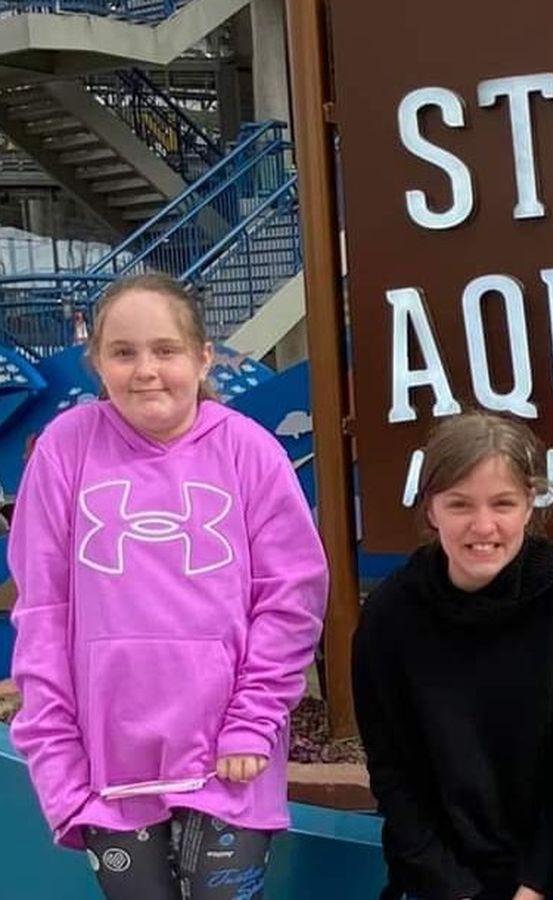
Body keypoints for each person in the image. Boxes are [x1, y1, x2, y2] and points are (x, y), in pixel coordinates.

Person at [8, 272, 329, 900]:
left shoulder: (250, 452)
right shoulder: (65, 450)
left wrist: (252, 722)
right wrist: (57, 763)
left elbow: (290, 600)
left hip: (229, 761)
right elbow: (43, 611)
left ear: (203, 357)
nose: (146, 370)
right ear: (98, 363)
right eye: (123, 352)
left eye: (166, 350)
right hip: (109, 775)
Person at [352, 411, 553, 900]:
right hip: (435, 878)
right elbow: (394, 774)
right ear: (431, 509)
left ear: (529, 505)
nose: (483, 525)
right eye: (460, 504)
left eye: (503, 503)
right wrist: (453, 890)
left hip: (550, 877)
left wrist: (535, 885)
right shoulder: (389, 617)